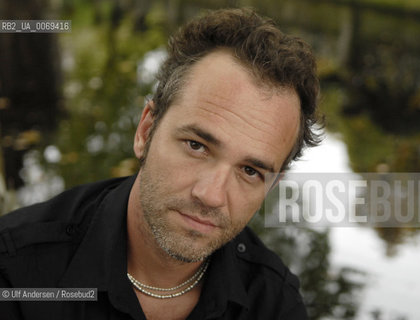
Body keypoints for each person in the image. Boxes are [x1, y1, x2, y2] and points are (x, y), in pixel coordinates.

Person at [0, 7, 320, 320]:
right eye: (197, 146)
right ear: (146, 131)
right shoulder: (14, 271)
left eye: (250, 171)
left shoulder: (274, 305)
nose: (211, 196)